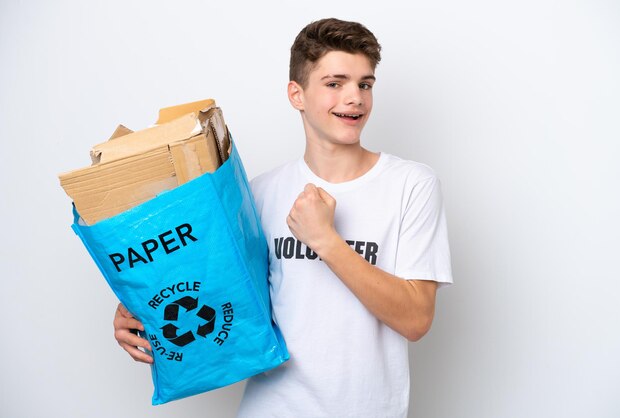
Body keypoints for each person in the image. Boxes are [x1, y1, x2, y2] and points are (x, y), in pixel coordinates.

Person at [114, 17, 453, 417]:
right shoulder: (259, 193)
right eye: (334, 83)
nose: (355, 98)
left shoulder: (411, 185)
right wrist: (144, 309)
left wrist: (326, 241)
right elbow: (217, 292)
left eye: (365, 84)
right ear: (297, 94)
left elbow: (415, 319)